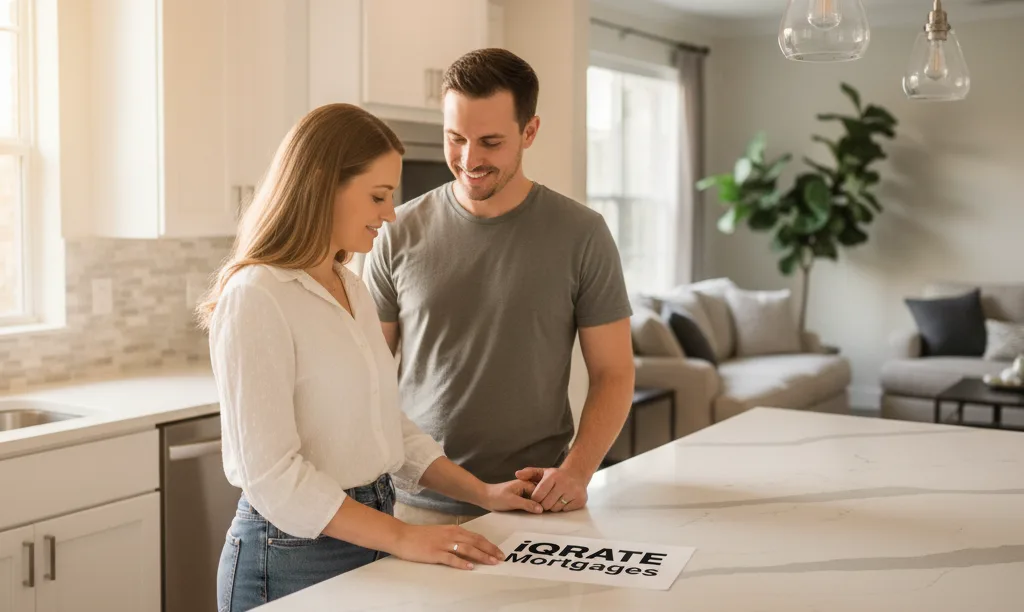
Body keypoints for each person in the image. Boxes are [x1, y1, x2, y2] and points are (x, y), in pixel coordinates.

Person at [198, 103, 543, 612]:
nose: (390, 213)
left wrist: (483, 494)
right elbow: (272, 477)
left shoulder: (350, 286)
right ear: (322, 186)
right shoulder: (256, 295)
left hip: (370, 529)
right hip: (290, 557)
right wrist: (404, 536)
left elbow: (386, 426)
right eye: (378, 196)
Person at [365, 48, 635, 526]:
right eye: (455, 139)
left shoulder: (582, 234)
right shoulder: (395, 233)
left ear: (529, 131)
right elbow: (367, 372)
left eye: (490, 142)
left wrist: (577, 471)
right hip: (415, 504)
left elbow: (614, 373)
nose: (469, 159)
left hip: (537, 501)